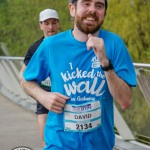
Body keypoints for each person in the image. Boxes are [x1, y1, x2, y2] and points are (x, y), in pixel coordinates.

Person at [20, 0, 136, 149]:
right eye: (86, 4)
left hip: (100, 145)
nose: (93, 10)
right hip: (59, 144)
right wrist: (43, 96)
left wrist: (105, 62)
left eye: (99, 5)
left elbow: (125, 101)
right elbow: (26, 80)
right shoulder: (51, 45)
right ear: (72, 9)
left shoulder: (114, 44)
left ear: (104, 13)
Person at [20, 8, 60, 147]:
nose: (50, 27)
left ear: (58, 24)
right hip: (44, 99)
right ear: (40, 25)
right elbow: (23, 76)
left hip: (65, 98)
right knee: (45, 139)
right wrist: (38, 94)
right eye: (46, 23)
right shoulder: (34, 48)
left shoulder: (67, 43)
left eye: (54, 23)